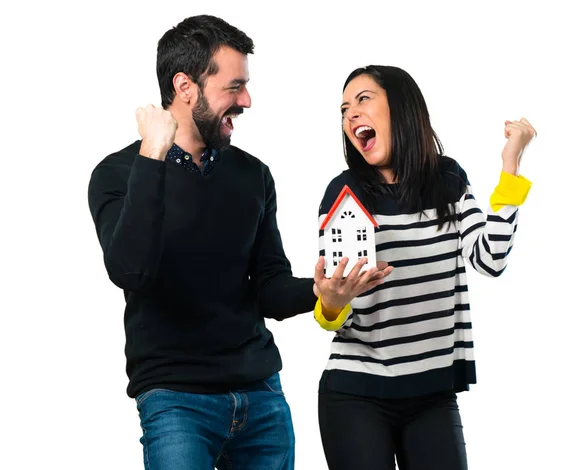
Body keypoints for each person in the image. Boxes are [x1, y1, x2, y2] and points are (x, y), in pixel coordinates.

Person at [87, 15, 390, 470]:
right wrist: (152, 155)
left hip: (261, 397)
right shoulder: (119, 175)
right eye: (234, 86)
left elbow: (268, 285)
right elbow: (130, 270)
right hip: (175, 401)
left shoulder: (253, 175)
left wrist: (321, 292)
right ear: (185, 87)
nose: (246, 100)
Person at [312, 65, 536, 470]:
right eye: (344, 109)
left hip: (431, 394)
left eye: (363, 100)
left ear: (401, 107)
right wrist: (329, 303)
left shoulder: (447, 180)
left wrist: (510, 164)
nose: (351, 116)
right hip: (355, 394)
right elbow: (334, 316)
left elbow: (491, 258)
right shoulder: (344, 194)